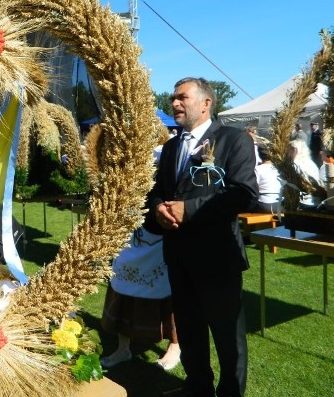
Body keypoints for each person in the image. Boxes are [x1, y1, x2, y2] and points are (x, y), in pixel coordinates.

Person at [148, 77, 258, 397]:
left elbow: (244, 193)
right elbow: (157, 192)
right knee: (190, 329)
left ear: (206, 103)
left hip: (217, 258)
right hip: (179, 257)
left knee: (227, 336)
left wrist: (189, 210)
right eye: (173, 98)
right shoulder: (170, 148)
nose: (174, 103)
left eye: (182, 97)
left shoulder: (232, 140)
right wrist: (158, 210)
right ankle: (197, 386)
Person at [100, 133, 180, 372]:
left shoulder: (165, 155)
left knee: (166, 294)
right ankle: (123, 348)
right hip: (128, 236)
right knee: (121, 292)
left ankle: (176, 345)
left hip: (157, 235)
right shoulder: (121, 161)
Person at [288, 139, 322, 208]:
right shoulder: (311, 163)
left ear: (295, 150)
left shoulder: (295, 164)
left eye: (289, 149)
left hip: (304, 201)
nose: (287, 151)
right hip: (317, 200)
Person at [253, 144, 282, 214]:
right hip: (280, 204)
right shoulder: (279, 168)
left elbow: (254, 187)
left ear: (259, 155)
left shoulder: (257, 169)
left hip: (265, 205)